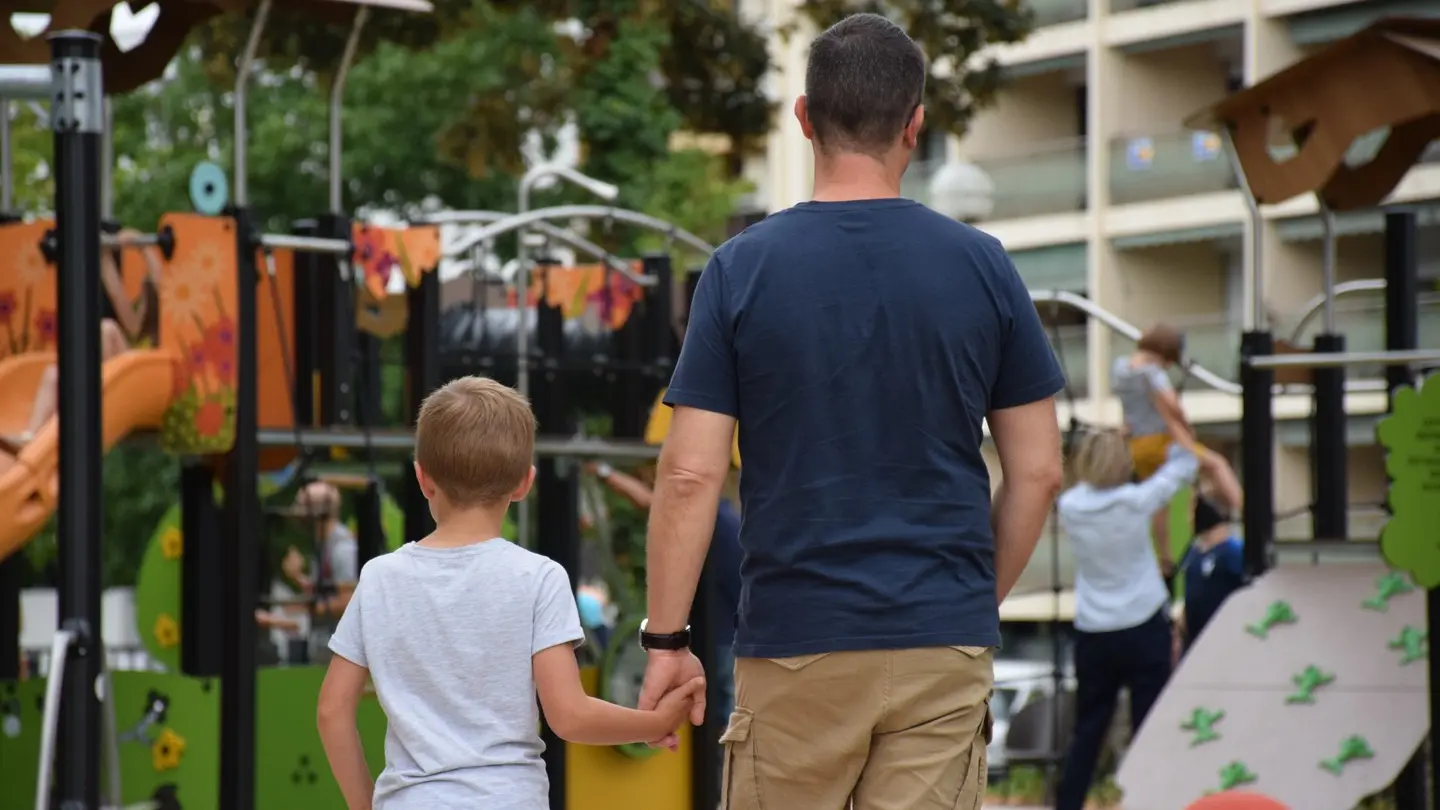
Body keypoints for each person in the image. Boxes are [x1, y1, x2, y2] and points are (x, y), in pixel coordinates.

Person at [633, 14, 1066, 809]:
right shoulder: (985, 267)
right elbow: (1038, 471)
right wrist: (965, 603)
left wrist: (667, 642)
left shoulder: (738, 271)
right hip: (942, 636)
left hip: (797, 640)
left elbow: (690, 475)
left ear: (804, 117)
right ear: (916, 125)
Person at [316, 376, 702, 810]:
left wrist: (363, 804)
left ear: (423, 478)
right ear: (524, 483)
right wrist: (653, 723)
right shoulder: (538, 577)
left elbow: (332, 711)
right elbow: (569, 716)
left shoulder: (379, 578)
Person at [1054, 431, 1199, 810]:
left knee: (1088, 730)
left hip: (1093, 631)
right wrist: (1167, 431)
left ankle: (1068, 804)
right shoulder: (1137, 500)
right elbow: (1185, 464)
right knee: (1148, 727)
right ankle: (1150, 802)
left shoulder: (1070, 506)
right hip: (1143, 623)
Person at [585, 459, 743, 725]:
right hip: (728, 632)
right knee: (717, 710)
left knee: (713, 715)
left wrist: (605, 472)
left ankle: (716, 764)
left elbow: (651, 503)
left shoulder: (709, 515)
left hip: (719, 637)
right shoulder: (727, 518)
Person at [0, 229, 162, 455]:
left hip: (143, 383)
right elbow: (117, 296)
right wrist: (103, 256)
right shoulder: (137, 326)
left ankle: (84, 384)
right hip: (118, 377)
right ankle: (31, 436)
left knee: (107, 329)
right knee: (52, 376)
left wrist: (141, 247)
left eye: (147, 296)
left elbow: (162, 281)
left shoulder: (164, 325)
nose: (142, 302)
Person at [1113, 323, 1243, 573]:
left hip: (1138, 445)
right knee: (1217, 464)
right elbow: (1171, 405)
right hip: (1163, 442)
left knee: (1159, 503)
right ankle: (1246, 511)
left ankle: (1166, 559)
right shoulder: (1152, 373)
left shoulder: (1121, 369)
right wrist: (1187, 426)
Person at [281, 481, 359, 665]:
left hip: (341, 650)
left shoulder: (343, 548)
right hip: (327, 645)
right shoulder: (325, 544)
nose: (298, 515)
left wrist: (307, 608)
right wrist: (298, 577)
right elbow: (328, 591)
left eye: (302, 507)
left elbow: (348, 601)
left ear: (317, 514)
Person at [1176, 494, 1244, 654]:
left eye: (1192, 511)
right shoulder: (1194, 549)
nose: (1189, 518)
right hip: (1193, 644)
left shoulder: (1234, 551)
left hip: (1223, 643)